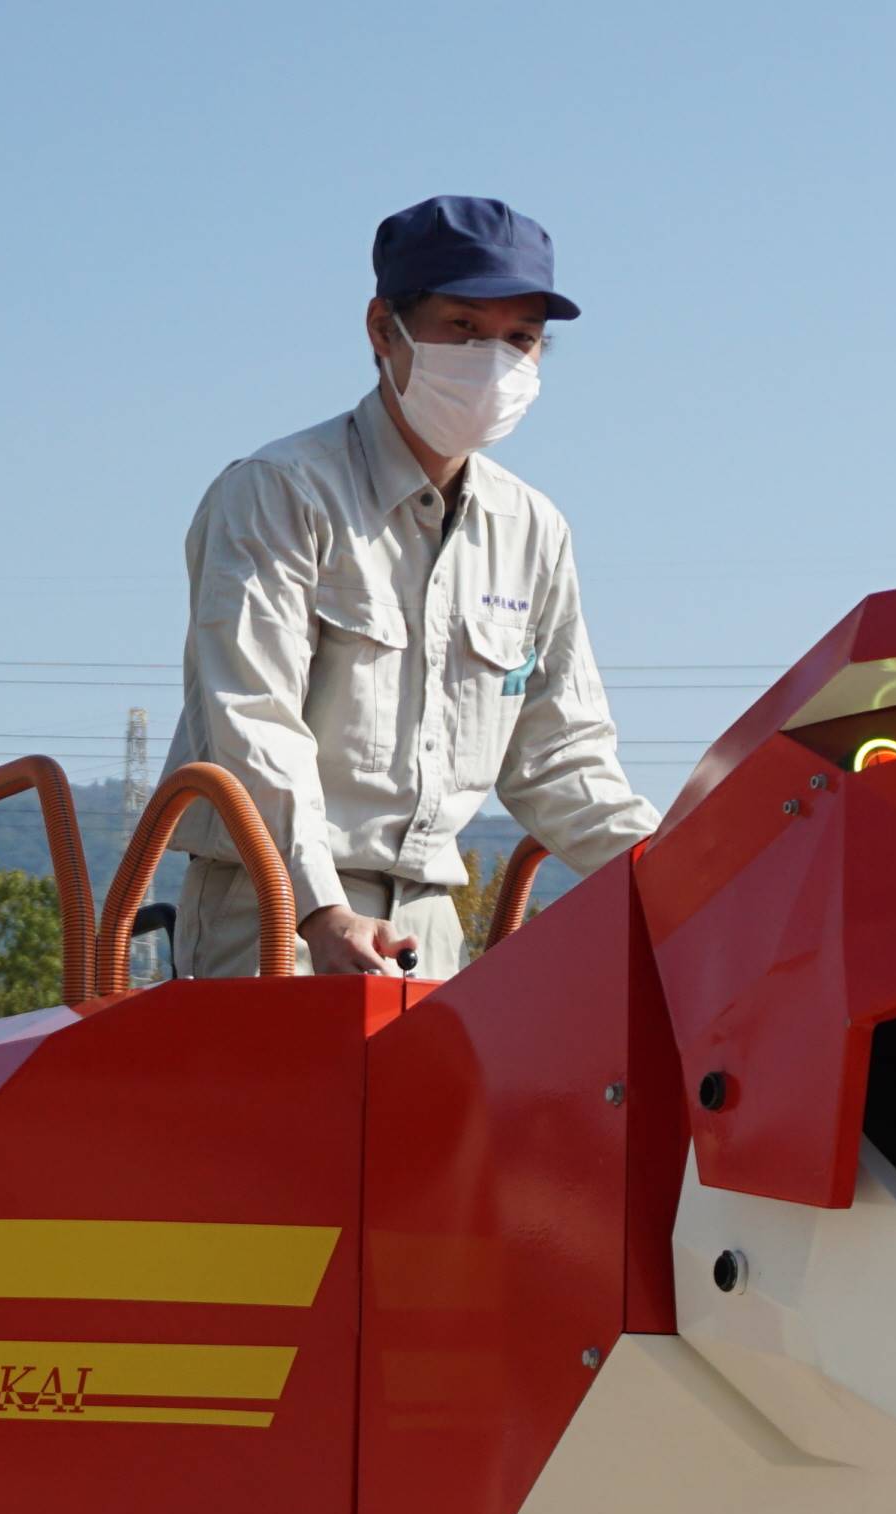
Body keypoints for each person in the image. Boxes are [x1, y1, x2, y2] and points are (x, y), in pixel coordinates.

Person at [163, 195, 659, 980]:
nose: (493, 361)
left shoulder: (533, 529)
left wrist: (687, 881)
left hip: (432, 921)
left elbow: (561, 757)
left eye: (520, 339)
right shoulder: (283, 492)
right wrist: (320, 911)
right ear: (381, 330)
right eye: (463, 328)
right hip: (274, 911)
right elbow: (251, 718)